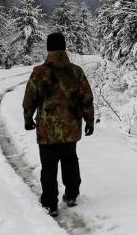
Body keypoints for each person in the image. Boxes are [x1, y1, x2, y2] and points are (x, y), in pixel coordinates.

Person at [22, 32, 95, 217]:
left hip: (47, 131)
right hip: (71, 128)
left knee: (48, 167)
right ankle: (71, 194)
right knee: (70, 161)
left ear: (48, 49)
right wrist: (89, 121)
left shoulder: (39, 72)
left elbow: (29, 99)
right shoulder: (76, 71)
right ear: (64, 48)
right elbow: (86, 98)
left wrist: (28, 119)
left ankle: (50, 204)